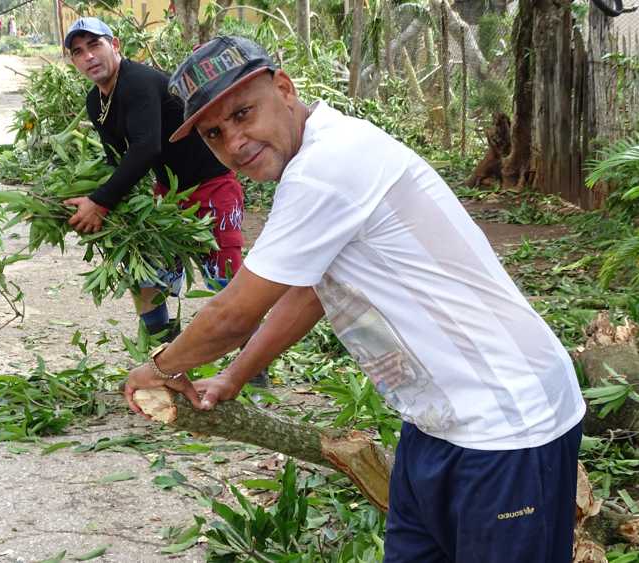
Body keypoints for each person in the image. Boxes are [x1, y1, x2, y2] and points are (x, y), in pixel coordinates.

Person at [123, 36, 586, 563]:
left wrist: (158, 367)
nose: (234, 141)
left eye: (243, 113)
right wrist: (234, 376)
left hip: (508, 424)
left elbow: (232, 315)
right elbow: (310, 293)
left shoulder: (329, 165)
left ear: (284, 88)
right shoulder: (320, 158)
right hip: (435, 422)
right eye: (214, 133)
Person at [63, 19, 261, 362]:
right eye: (78, 52)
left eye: (95, 45)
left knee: (224, 280)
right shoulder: (96, 103)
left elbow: (146, 148)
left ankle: (254, 363)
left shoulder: (137, 82)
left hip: (212, 187)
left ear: (116, 45)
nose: (88, 57)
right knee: (145, 270)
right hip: (168, 194)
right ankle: (161, 350)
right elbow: (118, 160)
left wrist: (101, 202)